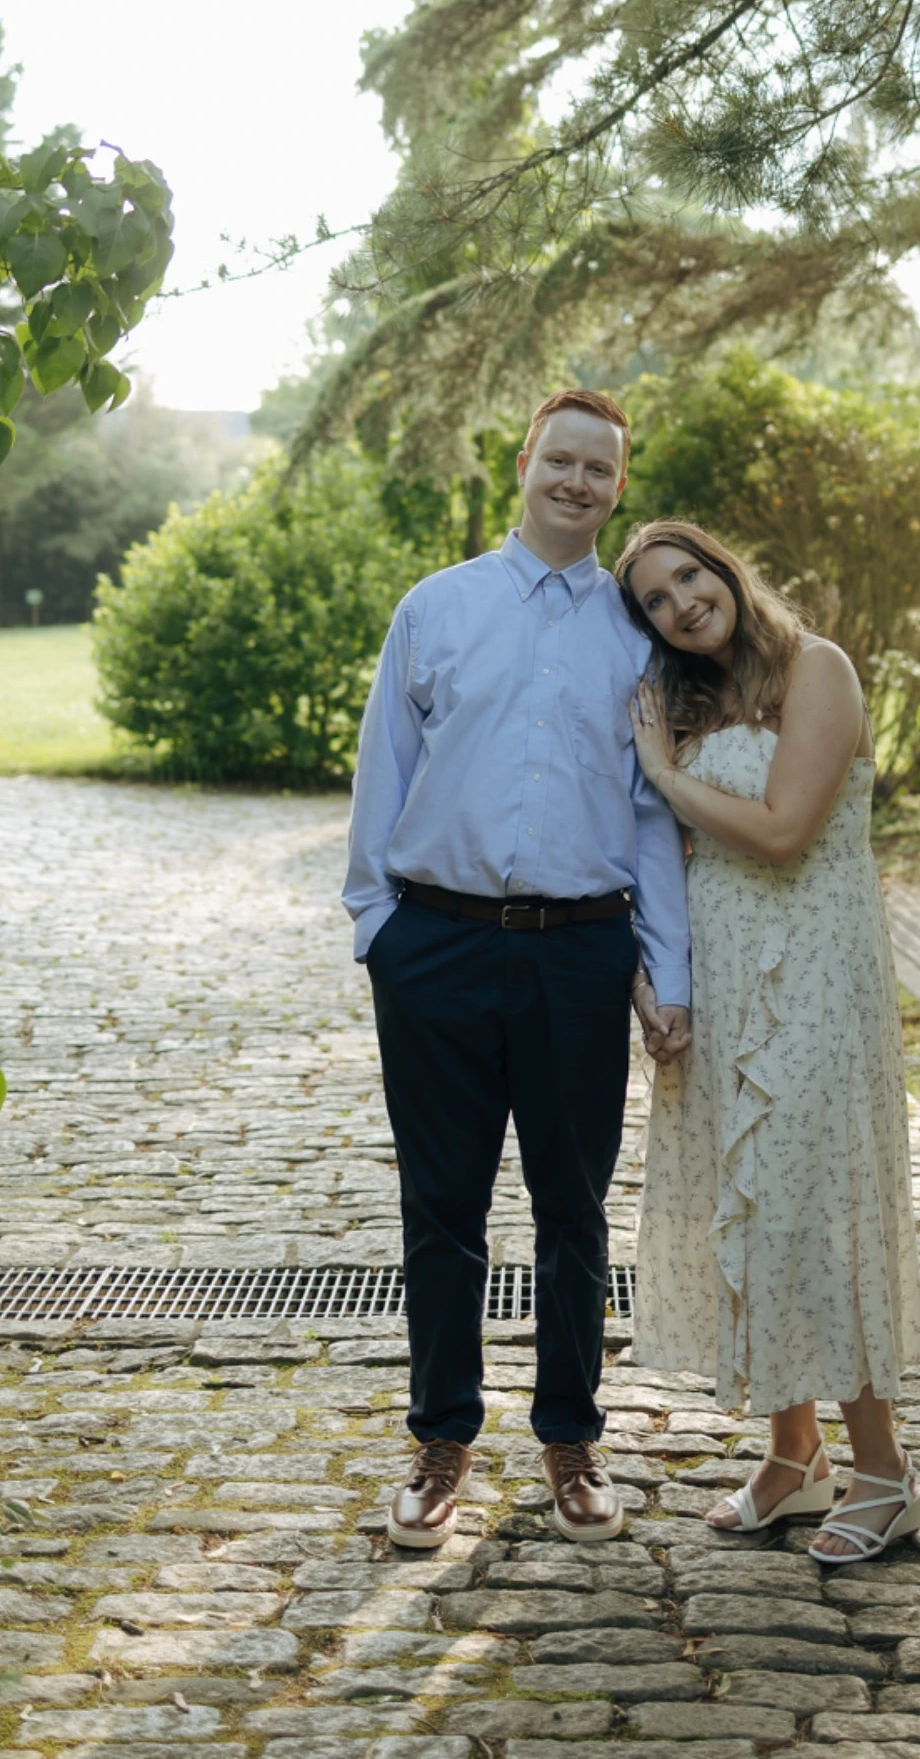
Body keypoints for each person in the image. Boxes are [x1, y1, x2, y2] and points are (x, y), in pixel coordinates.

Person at [344, 390, 691, 1554]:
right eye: (560, 459)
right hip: (434, 946)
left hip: (580, 953)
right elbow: (384, 771)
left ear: (617, 488)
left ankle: (571, 1440)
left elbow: (648, 815)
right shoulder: (436, 608)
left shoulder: (636, 640)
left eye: (599, 468)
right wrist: (378, 928)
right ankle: (440, 1439)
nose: (576, 481)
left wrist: (666, 971)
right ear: (525, 464)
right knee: (441, 1208)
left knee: (573, 1209)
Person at [615, 518, 920, 1566]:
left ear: (725, 569)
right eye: (655, 601)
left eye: (688, 576)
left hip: (817, 982)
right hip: (726, 985)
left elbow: (786, 831)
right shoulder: (688, 705)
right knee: (746, 1201)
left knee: (817, 1203)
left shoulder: (816, 669)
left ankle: (886, 1472)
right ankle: (795, 1456)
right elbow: (665, 862)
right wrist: (655, 985)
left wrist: (664, 775)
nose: (680, 605)